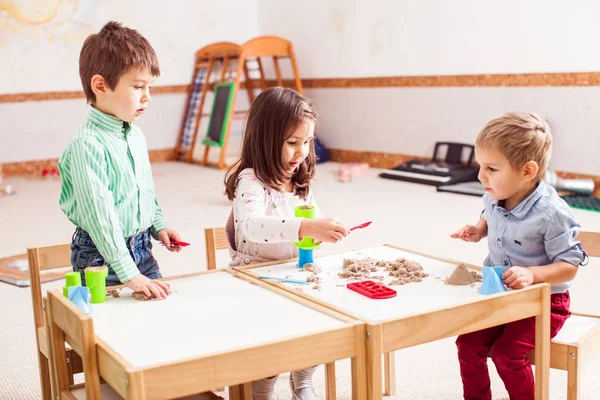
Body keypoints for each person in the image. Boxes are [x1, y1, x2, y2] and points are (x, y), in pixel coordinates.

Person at [224, 86, 350, 399]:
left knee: (321, 326)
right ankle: (263, 388)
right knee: (271, 342)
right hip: (256, 279)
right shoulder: (250, 181)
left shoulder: (299, 178)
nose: (302, 151)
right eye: (292, 142)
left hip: (296, 271)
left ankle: (303, 379)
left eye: (307, 141)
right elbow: (253, 227)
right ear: (265, 140)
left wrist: (323, 229)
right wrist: (306, 225)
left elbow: (310, 219)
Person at [451, 111, 587, 400]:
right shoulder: (493, 193)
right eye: (480, 166)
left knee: (507, 353)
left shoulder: (553, 213)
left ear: (527, 172)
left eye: (491, 168)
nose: (480, 175)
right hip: (500, 290)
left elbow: (570, 266)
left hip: (545, 302)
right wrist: (478, 229)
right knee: (467, 344)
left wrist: (532, 274)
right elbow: (490, 214)